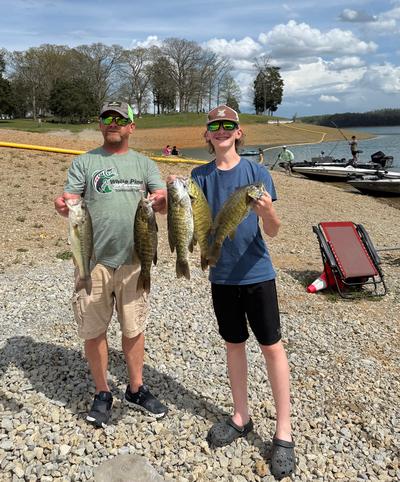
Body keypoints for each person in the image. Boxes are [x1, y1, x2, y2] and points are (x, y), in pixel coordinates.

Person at [191, 105, 296, 479]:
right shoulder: (199, 176)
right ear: (207, 135)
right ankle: (241, 416)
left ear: (238, 132)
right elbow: (194, 220)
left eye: (228, 125)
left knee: (272, 347)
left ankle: (284, 432)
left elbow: (273, 230)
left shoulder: (257, 173)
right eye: (214, 126)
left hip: (257, 274)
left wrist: (266, 212)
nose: (221, 130)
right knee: (233, 345)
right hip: (221, 277)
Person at [54, 100, 168, 428]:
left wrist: (162, 200)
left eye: (120, 119)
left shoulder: (145, 164)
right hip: (93, 261)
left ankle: (135, 388)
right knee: (93, 330)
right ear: (100, 125)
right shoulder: (84, 162)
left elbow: (161, 202)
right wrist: (64, 205)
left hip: (134, 262)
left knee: (133, 328)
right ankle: (103, 391)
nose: (113, 123)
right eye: (107, 118)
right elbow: (71, 200)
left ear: (132, 126)